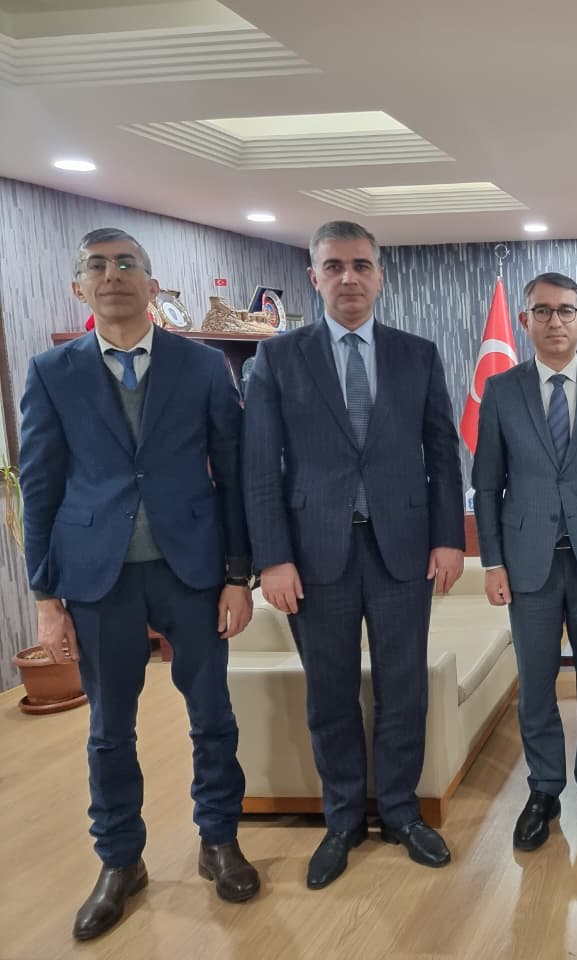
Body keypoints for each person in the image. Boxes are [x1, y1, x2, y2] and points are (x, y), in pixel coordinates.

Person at [19, 227, 260, 941]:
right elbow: (40, 485)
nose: (113, 274)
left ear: (152, 286)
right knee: (108, 730)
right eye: (97, 265)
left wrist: (237, 575)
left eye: (127, 263)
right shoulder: (51, 372)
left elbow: (233, 475)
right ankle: (120, 861)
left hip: (194, 570)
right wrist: (46, 597)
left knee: (211, 715)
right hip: (99, 578)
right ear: (79, 287)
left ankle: (219, 840)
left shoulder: (203, 365)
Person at [242, 220, 465, 889]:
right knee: (330, 695)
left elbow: (443, 454)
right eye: (334, 266)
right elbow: (260, 467)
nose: (349, 278)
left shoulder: (417, 354)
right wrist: (272, 558)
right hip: (314, 559)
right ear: (314, 276)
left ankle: (400, 813)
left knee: (404, 691)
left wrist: (448, 537)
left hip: (403, 551)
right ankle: (342, 821)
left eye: (361, 265)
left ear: (380, 275)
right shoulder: (277, 359)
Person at [472, 271, 577, 851]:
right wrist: (492, 561)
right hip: (527, 564)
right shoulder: (501, 390)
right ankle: (544, 789)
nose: (555, 321)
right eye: (542, 311)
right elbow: (486, 485)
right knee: (537, 686)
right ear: (525, 321)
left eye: (566, 310)